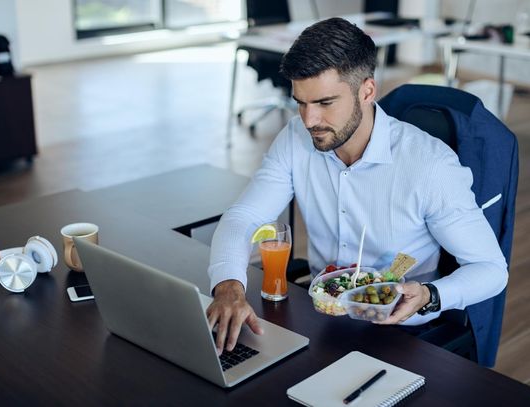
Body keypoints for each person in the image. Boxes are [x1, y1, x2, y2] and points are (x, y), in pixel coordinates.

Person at [206, 17, 508, 355]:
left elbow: (491, 270)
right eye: (300, 102)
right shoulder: (295, 139)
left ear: (367, 91)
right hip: (323, 318)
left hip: (399, 332)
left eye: (324, 103)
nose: (309, 121)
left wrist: (429, 295)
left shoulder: (430, 166)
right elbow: (243, 216)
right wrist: (229, 285)